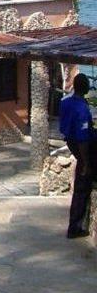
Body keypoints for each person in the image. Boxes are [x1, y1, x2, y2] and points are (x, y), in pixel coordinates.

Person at [59, 73, 96, 239]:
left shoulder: (65, 102)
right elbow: (82, 139)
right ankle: (74, 228)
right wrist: (86, 162)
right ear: (85, 87)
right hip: (83, 148)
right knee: (82, 187)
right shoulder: (81, 110)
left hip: (71, 141)